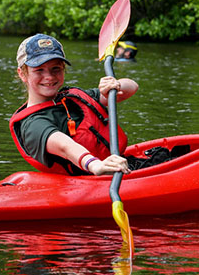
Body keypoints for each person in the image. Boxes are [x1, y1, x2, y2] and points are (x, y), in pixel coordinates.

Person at [9, 34, 139, 176]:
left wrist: (116, 85)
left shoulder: (73, 97)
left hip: (117, 165)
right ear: (22, 74)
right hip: (90, 177)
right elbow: (65, 146)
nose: (49, 77)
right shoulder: (32, 125)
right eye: (39, 70)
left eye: (56, 69)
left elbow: (132, 88)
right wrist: (95, 165)